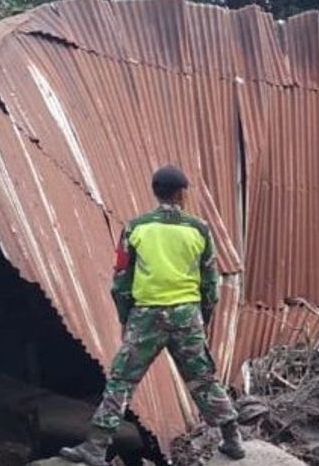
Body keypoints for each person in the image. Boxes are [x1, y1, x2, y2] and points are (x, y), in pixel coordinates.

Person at [60, 166, 245, 465]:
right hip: (187, 316)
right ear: (181, 193)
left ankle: (95, 447)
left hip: (146, 317)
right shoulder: (199, 229)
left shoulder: (135, 228)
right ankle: (232, 438)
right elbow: (210, 282)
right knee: (203, 379)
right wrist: (203, 317)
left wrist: (125, 319)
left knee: (121, 381)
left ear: (155, 191)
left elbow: (121, 281)